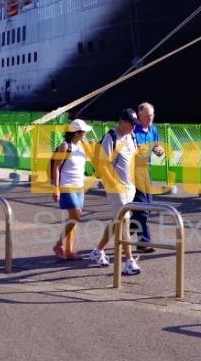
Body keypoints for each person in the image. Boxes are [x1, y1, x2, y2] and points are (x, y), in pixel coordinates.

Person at [90, 108, 141, 276]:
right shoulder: (110, 138)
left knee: (116, 221)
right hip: (116, 187)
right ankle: (129, 261)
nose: (134, 127)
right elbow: (103, 164)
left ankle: (98, 250)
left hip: (130, 186)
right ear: (122, 122)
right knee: (124, 222)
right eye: (131, 124)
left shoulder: (131, 136)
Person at [49, 119, 91, 260]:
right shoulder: (65, 146)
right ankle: (58, 245)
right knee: (76, 216)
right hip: (67, 185)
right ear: (76, 133)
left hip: (79, 186)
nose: (85, 134)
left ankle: (69, 251)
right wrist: (56, 188)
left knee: (74, 219)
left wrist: (91, 146)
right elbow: (56, 167)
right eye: (83, 132)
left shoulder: (83, 145)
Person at [131, 102, 165, 252]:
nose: (150, 118)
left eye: (151, 115)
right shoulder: (133, 130)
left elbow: (157, 146)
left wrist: (159, 150)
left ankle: (126, 229)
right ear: (139, 116)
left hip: (147, 170)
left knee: (148, 207)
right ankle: (143, 242)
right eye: (146, 116)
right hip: (133, 171)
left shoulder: (153, 129)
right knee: (142, 208)